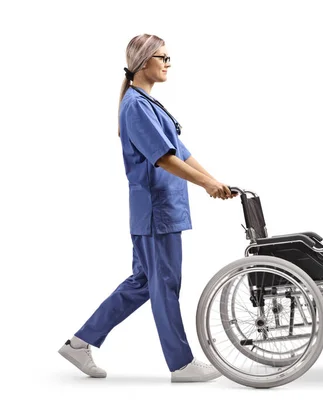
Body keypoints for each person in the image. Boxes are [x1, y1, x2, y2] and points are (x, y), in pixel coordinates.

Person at [58, 33, 237, 382]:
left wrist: (215, 181)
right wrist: (206, 185)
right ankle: (181, 365)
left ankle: (79, 344)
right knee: (164, 283)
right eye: (162, 57)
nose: (168, 63)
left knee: (143, 282)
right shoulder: (136, 107)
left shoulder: (148, 104)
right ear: (143, 63)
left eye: (169, 58)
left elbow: (182, 152)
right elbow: (164, 159)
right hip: (157, 211)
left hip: (161, 209)